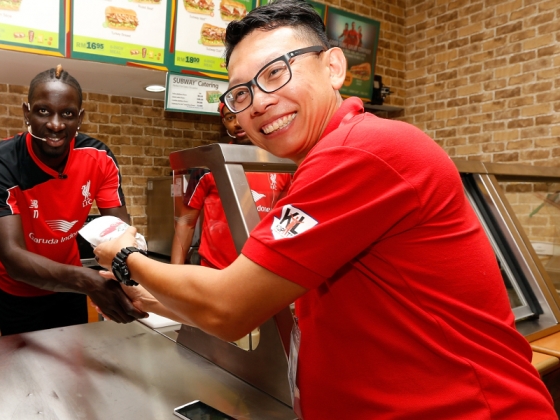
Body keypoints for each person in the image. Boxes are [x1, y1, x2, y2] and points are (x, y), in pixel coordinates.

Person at [93, 1, 556, 418]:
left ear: (334, 66)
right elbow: (265, 303)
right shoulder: (323, 164)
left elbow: (229, 308)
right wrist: (150, 299)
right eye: (240, 93)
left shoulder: (361, 151)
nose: (258, 104)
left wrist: (124, 256)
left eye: (274, 73)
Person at [0, 65, 145, 336]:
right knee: (24, 371)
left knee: (74, 364)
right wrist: (90, 282)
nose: (55, 124)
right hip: (18, 291)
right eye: (43, 111)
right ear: (26, 112)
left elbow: (120, 233)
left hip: (70, 288)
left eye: (67, 113)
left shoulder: (99, 157)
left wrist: (131, 275)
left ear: (80, 118)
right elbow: (13, 258)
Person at [170, 103, 290, 270]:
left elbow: (283, 218)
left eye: (243, 114)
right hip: (214, 270)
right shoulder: (209, 164)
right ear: (224, 123)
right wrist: (175, 274)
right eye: (230, 117)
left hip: (261, 270)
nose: (238, 122)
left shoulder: (282, 163)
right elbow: (186, 222)